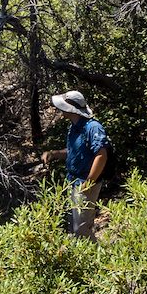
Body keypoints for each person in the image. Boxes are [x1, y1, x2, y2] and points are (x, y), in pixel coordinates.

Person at [42, 89, 108, 238]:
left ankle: (98, 257)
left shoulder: (92, 127)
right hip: (73, 182)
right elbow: (75, 151)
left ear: (70, 108)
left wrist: (89, 183)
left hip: (85, 183)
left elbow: (101, 154)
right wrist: (54, 154)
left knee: (81, 228)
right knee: (74, 225)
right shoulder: (74, 127)